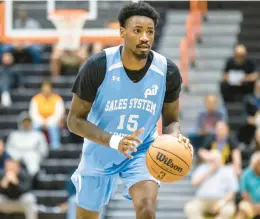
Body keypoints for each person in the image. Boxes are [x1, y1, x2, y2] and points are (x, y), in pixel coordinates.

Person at [67, 2, 192, 219]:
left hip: (141, 149)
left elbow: (171, 120)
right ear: (122, 32)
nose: (145, 37)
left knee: (146, 210)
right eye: (138, 30)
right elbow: (74, 121)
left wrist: (174, 138)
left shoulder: (168, 71)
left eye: (150, 31)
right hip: (100, 150)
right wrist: (115, 141)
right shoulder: (98, 66)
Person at [184, 150, 239, 219]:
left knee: (228, 210)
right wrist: (209, 171)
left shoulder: (228, 170)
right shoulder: (202, 168)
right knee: (190, 208)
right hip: (202, 199)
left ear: (220, 160)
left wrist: (221, 203)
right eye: (211, 160)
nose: (213, 162)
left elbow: (232, 191)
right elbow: (194, 183)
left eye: (215, 160)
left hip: (221, 199)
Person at [6, 112, 48, 177]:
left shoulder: (38, 135)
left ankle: (34, 177)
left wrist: (37, 156)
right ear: (20, 122)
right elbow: (9, 148)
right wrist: (16, 156)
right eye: (24, 122)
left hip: (32, 156)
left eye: (28, 122)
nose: (26, 124)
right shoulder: (14, 135)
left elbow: (43, 149)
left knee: (32, 160)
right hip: (17, 156)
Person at [29, 80, 65, 149]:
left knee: (53, 125)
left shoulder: (57, 98)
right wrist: (42, 121)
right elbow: (33, 113)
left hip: (52, 120)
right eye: (44, 88)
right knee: (35, 126)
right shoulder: (36, 99)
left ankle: (55, 145)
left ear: (51, 88)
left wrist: (48, 121)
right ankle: (34, 145)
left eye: (48, 88)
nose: (46, 90)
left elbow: (59, 113)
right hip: (39, 120)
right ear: (41, 88)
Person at [235, 151, 260, 219]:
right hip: (250, 203)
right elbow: (244, 193)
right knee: (243, 208)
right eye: (258, 163)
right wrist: (253, 204)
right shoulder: (246, 174)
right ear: (254, 164)